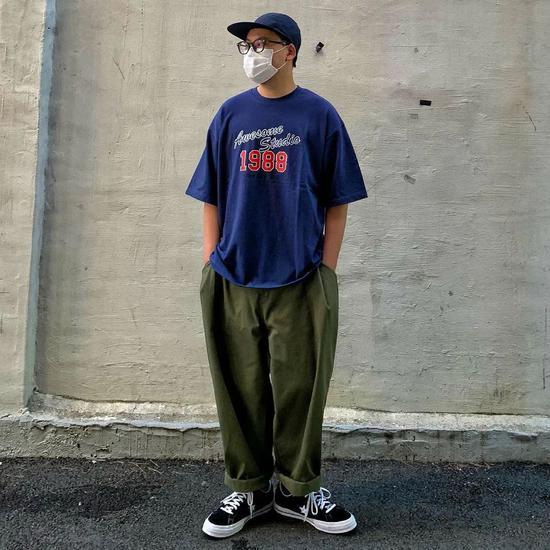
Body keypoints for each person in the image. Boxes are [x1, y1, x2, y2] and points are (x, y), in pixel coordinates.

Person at [185, 12, 368, 539]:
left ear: (290, 51)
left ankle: (298, 490)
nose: (252, 53)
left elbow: (338, 199)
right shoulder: (231, 114)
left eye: (262, 43)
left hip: (301, 278)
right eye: (246, 46)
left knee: (300, 391)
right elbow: (211, 193)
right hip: (233, 276)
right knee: (239, 388)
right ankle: (250, 488)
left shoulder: (319, 115)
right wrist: (211, 259)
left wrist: (325, 270)